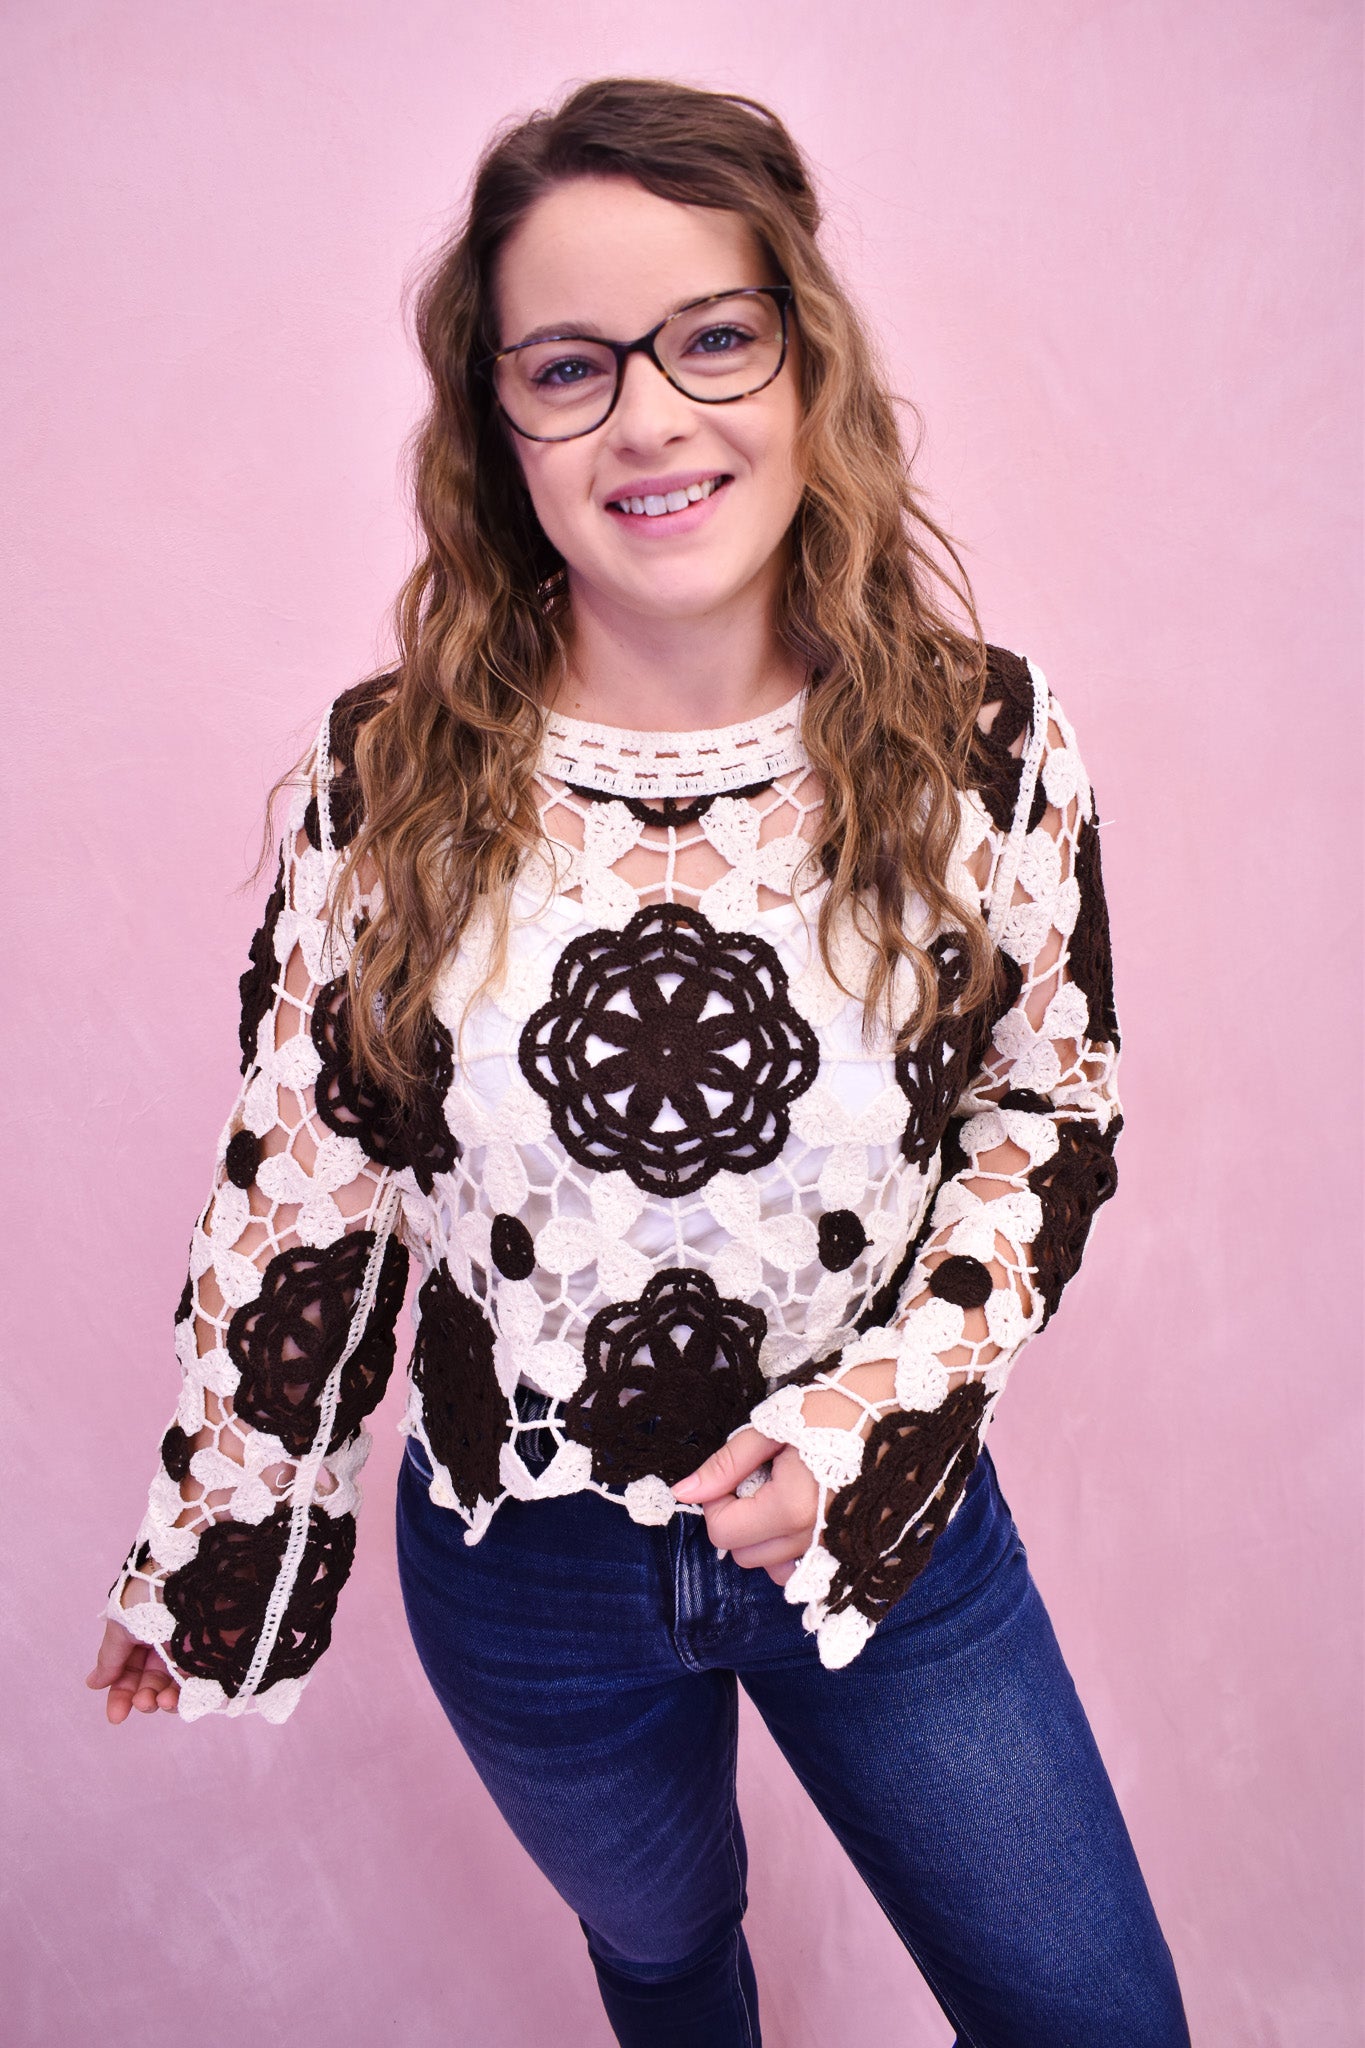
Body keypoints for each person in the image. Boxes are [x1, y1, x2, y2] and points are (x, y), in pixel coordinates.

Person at [87, 76, 1190, 2048]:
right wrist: (220, 1555)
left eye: (710, 338)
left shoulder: (986, 744)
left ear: (798, 353)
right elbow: (306, 1193)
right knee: (670, 1965)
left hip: (889, 1535)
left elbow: (1047, 1111)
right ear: (496, 423)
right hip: (525, 1578)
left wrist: (870, 1417)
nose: (651, 419)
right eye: (570, 367)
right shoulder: (382, 782)